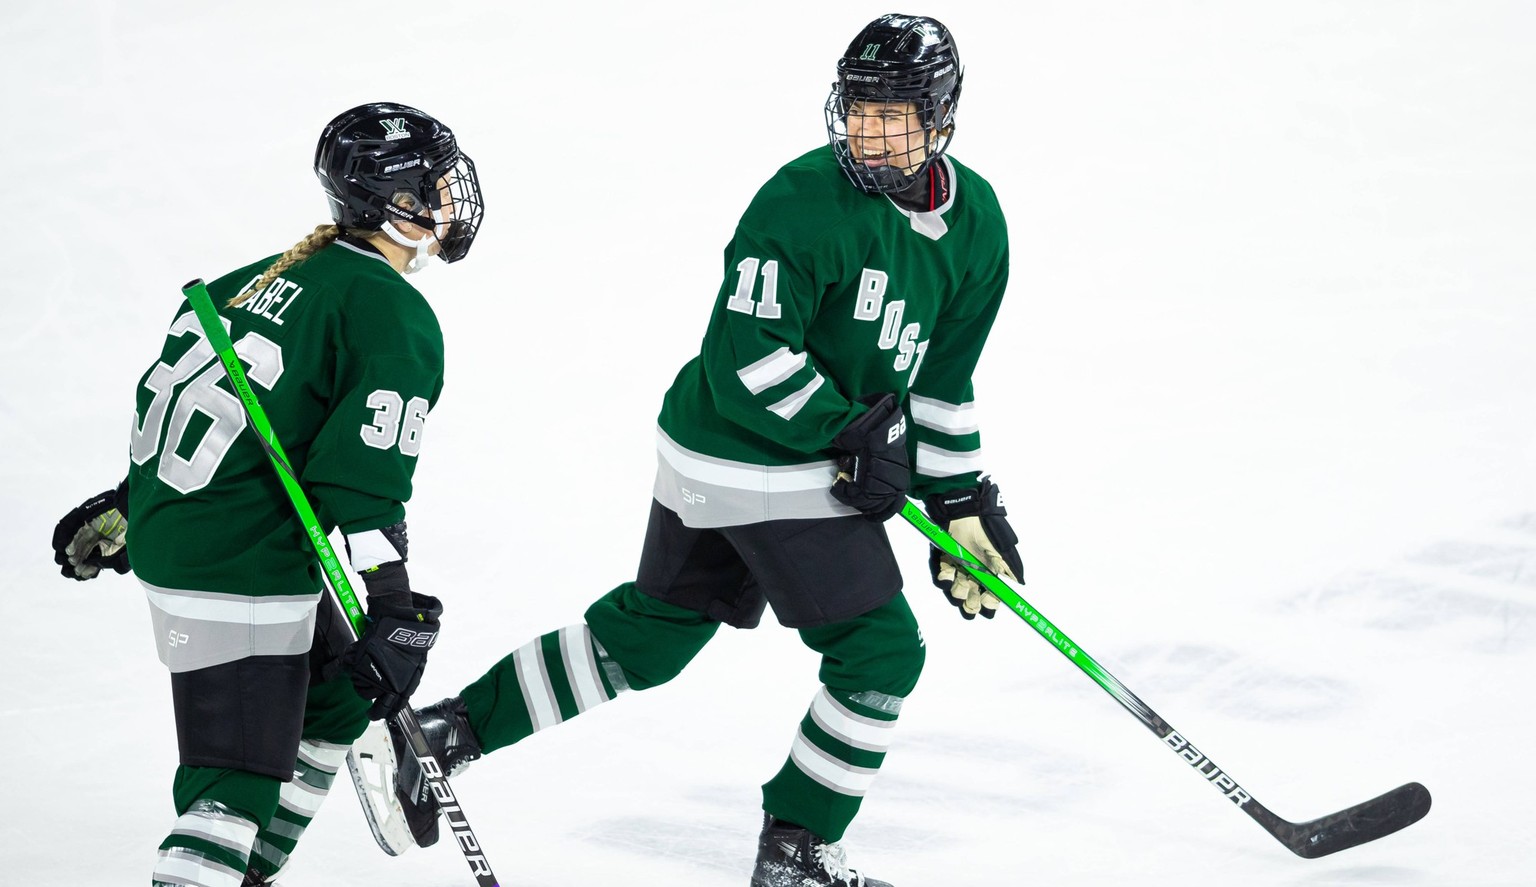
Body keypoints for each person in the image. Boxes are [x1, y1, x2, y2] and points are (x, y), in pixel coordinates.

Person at [359, 12, 1017, 887]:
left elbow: (943, 381)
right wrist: (845, 433)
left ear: (941, 118)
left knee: (651, 638)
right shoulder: (800, 202)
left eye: (896, 115)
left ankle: (449, 731)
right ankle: (799, 851)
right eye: (860, 110)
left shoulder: (980, 229)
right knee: (881, 650)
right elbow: (748, 355)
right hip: (755, 456)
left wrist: (961, 499)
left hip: (732, 457)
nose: (872, 132)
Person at [49, 102, 485, 887]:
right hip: (238, 564)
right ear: (396, 198)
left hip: (193, 527)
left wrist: (129, 501)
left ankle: (246, 873)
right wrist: (393, 601)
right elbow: (359, 481)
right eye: (434, 183)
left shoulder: (255, 278)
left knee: (337, 700)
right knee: (233, 781)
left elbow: (205, 406)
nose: (450, 197)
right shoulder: (389, 310)